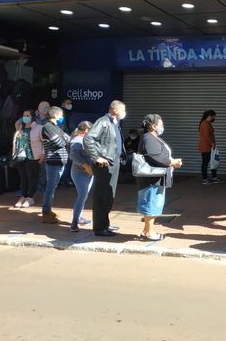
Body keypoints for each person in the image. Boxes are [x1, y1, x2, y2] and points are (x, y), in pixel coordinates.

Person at [84, 100, 127, 237]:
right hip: (104, 164)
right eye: (123, 110)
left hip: (113, 163)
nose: (124, 113)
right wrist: (97, 157)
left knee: (109, 195)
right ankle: (100, 227)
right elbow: (88, 139)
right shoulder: (103, 122)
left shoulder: (114, 123)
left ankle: (104, 224)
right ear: (114, 110)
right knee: (102, 196)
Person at [136, 114, 183, 241]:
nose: (162, 126)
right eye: (161, 124)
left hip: (156, 177)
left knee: (153, 203)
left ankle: (146, 230)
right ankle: (149, 233)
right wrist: (171, 162)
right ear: (153, 126)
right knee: (151, 204)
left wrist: (171, 161)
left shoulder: (152, 137)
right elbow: (154, 156)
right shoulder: (149, 138)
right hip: (152, 179)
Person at [41, 106, 70, 224]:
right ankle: (46, 212)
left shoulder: (56, 127)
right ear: (56, 115)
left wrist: (64, 139)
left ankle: (48, 210)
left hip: (59, 161)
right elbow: (59, 142)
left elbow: (68, 138)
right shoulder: (48, 127)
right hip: (53, 161)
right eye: (61, 115)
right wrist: (63, 139)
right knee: (50, 187)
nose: (62, 117)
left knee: (53, 187)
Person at [12, 110, 42, 208]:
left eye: (28, 115)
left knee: (31, 177)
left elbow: (44, 142)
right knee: (23, 177)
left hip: (33, 156)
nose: (25, 117)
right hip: (21, 157)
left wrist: (43, 154)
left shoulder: (39, 128)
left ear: (32, 117)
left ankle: (30, 197)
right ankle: (23, 196)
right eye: (24, 115)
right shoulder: (20, 127)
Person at [69, 121, 94, 232]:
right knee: (82, 195)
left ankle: (79, 217)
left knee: (84, 195)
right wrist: (86, 166)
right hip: (79, 172)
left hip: (89, 172)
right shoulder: (77, 140)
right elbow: (74, 155)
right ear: (87, 130)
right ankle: (74, 222)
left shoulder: (87, 139)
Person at [198, 109, 222, 185]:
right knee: (205, 162)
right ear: (210, 116)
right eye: (214, 117)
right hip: (206, 146)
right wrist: (211, 143)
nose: (214, 118)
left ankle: (214, 177)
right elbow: (206, 136)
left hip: (210, 146)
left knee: (213, 162)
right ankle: (205, 179)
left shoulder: (207, 123)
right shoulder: (205, 124)